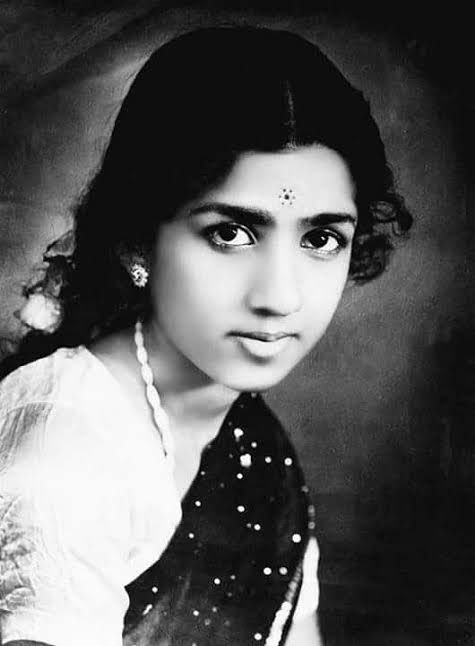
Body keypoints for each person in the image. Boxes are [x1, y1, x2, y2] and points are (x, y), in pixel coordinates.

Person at [0, 26, 412, 646]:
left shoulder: (257, 447)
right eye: (230, 234)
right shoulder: (63, 446)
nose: (280, 296)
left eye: (321, 239)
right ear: (138, 239)